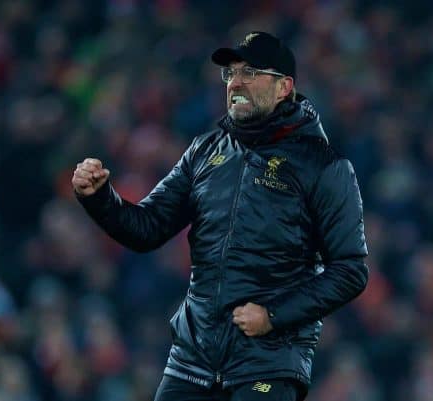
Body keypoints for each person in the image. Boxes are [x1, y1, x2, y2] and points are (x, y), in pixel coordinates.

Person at [72, 31, 368, 401]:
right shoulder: (204, 151)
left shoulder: (324, 166)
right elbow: (146, 230)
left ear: (283, 87)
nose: (236, 83)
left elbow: (350, 270)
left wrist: (272, 316)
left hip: (268, 363)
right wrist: (100, 198)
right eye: (231, 74)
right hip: (192, 360)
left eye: (250, 73)